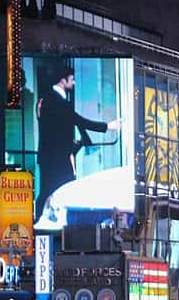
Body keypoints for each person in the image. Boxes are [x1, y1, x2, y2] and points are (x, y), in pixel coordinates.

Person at [34, 63, 121, 224]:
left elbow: (57, 128)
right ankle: (45, 222)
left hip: (52, 157)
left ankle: (43, 221)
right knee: (58, 189)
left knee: (50, 190)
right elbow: (79, 121)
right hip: (57, 158)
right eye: (72, 79)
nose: (74, 82)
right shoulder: (56, 101)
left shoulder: (47, 99)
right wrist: (108, 126)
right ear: (63, 80)